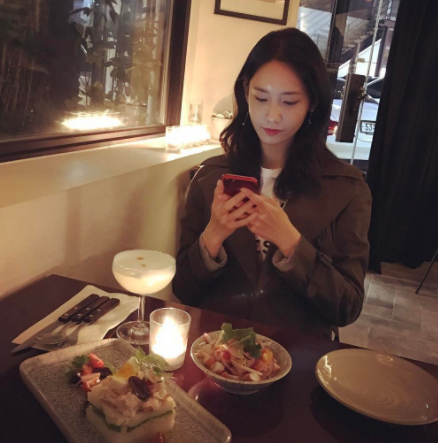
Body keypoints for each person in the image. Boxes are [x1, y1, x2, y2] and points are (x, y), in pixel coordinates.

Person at [172, 28, 371, 339]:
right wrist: (214, 235)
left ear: (312, 103)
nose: (272, 116)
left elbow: (347, 307)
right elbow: (183, 290)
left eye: (289, 102)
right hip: (217, 352)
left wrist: (291, 243)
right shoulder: (211, 178)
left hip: (298, 356)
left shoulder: (346, 188)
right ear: (245, 92)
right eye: (261, 98)